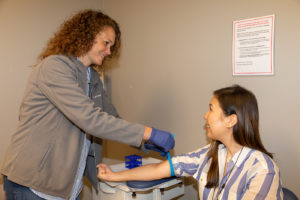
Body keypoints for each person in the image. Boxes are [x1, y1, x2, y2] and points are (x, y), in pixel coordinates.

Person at [1, 9, 175, 200]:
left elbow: (111, 119)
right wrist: (150, 132)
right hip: (33, 184)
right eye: (106, 43)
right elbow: (91, 119)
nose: (109, 51)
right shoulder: (54, 67)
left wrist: (146, 142)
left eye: (111, 46)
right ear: (86, 36)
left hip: (68, 186)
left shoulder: (92, 78)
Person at [98, 85, 283, 200]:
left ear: (231, 120)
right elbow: (157, 170)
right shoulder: (209, 155)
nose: (205, 115)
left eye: (211, 109)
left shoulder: (262, 170)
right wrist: (115, 176)